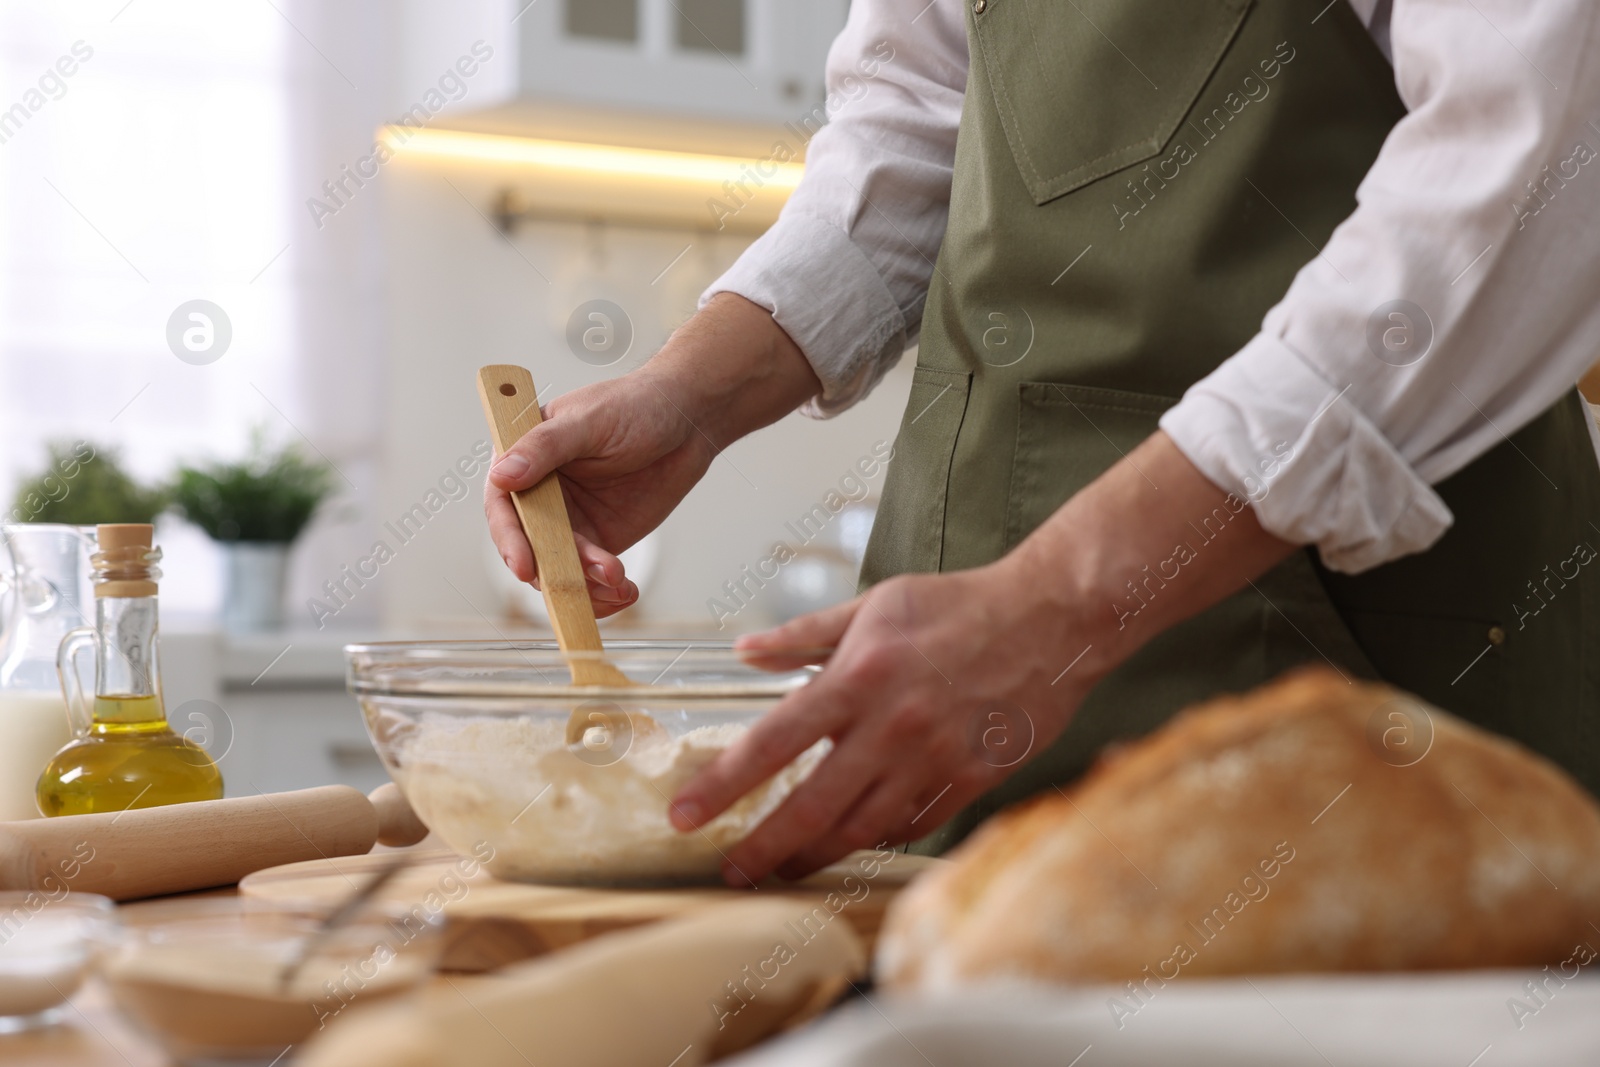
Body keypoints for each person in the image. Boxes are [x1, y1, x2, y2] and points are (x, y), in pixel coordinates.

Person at [487, 0, 1600, 886]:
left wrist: (1056, 602)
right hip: (958, 721)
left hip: (1358, 703)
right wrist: (689, 396)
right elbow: (913, 121)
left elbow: (1532, 168)